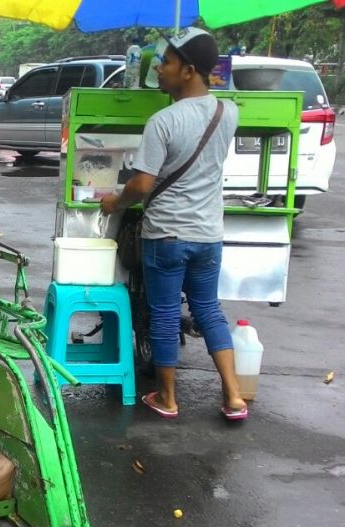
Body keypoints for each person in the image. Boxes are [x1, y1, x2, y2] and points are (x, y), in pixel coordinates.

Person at [100, 28, 247, 420]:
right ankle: (233, 397)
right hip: (208, 235)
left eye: (166, 62)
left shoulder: (163, 121)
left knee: (164, 313)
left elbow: (143, 183)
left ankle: (167, 398)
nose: (160, 69)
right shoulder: (227, 112)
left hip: (166, 234)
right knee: (209, 310)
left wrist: (115, 202)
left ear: (189, 70)